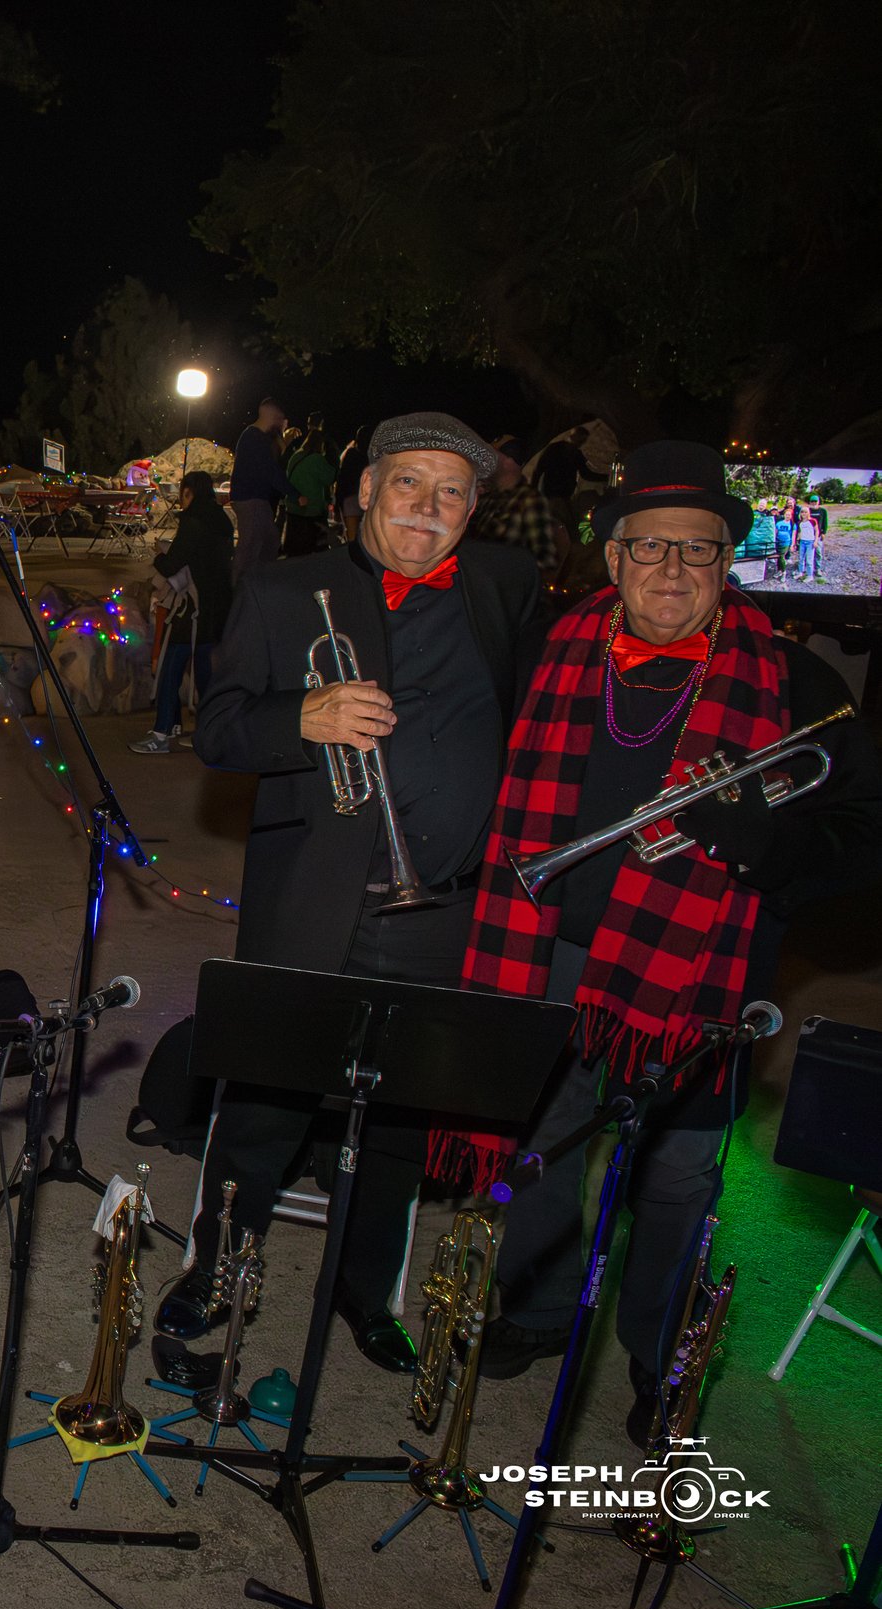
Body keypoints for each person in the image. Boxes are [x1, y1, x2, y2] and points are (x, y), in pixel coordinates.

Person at [450, 441, 882, 1439]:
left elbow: (867, 833)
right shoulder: (552, 649)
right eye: (649, 548)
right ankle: (542, 1306)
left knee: (679, 1174)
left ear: (726, 560)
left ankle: (657, 1358)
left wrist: (768, 843)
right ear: (612, 560)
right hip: (546, 951)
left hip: (698, 973)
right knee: (542, 1146)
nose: (673, 570)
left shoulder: (796, 678)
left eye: (698, 549)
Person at [165, 413, 541, 1375]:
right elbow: (220, 731)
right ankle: (214, 1271)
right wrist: (306, 714)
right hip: (317, 902)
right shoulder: (289, 588)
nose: (427, 507)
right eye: (408, 483)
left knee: (402, 1126)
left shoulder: (504, 589)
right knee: (264, 1106)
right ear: (366, 489)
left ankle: (364, 1290)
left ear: (473, 509)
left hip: (445, 910)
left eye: (450, 491)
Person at [132, 471, 235, 754]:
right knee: (205, 671)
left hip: (193, 606)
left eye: (182, 494)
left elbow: (172, 565)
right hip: (219, 605)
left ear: (188, 492)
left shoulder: (193, 522)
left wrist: (159, 554)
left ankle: (161, 733)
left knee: (171, 663)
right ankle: (206, 731)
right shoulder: (222, 519)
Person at [469, 440, 570, 576]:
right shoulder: (489, 497)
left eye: (495, 458)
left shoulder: (529, 501)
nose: (488, 464)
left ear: (509, 462)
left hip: (500, 583)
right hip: (475, 576)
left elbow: (545, 560)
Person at [227, 397, 293, 573]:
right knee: (250, 547)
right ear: (271, 415)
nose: (281, 422)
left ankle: (255, 582)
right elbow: (271, 470)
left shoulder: (255, 437)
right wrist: (294, 493)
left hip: (254, 498)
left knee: (268, 542)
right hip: (251, 499)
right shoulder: (255, 438)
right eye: (279, 418)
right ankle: (239, 589)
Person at [532, 426, 605, 527]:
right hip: (557, 495)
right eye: (581, 439)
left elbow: (538, 471)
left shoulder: (560, 449)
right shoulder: (568, 451)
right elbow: (586, 474)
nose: (581, 442)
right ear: (574, 437)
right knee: (564, 525)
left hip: (556, 495)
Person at [282, 427, 338, 556]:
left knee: (295, 549)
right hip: (311, 509)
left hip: (293, 507)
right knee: (316, 548)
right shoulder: (317, 459)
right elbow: (329, 478)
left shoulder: (295, 456)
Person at [334, 421, 372, 541]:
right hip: (369, 500)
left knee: (352, 538)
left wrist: (337, 503)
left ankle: (353, 558)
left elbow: (342, 479)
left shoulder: (351, 455)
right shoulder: (375, 457)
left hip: (350, 499)